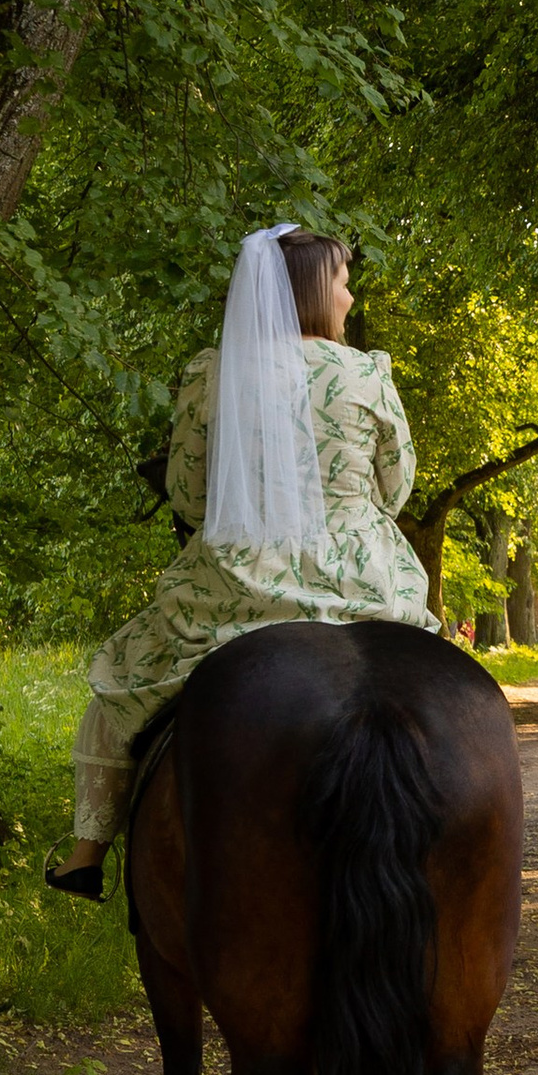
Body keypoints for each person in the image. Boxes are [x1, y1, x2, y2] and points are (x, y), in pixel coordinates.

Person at [48, 226, 438, 901]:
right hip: (364, 580)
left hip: (239, 582)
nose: (349, 297)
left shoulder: (215, 372)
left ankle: (87, 854)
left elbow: (188, 494)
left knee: (121, 677)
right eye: (344, 282)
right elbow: (396, 487)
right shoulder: (367, 373)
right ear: (314, 290)